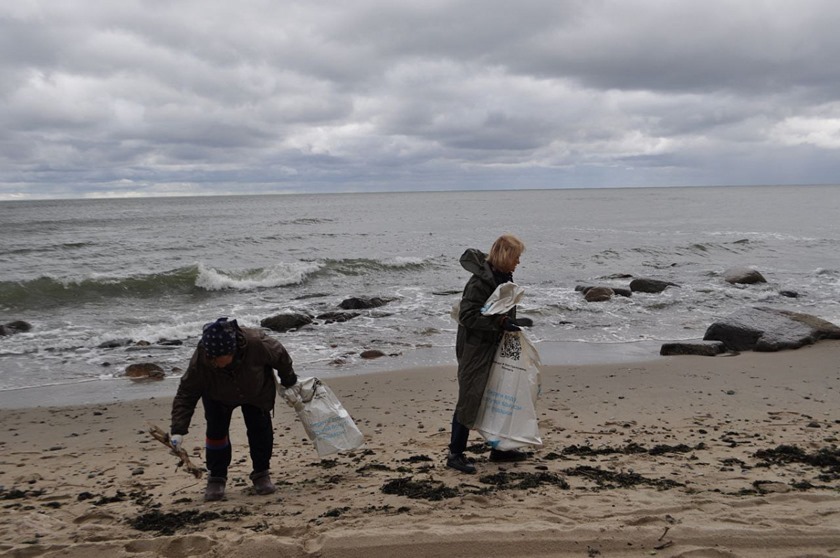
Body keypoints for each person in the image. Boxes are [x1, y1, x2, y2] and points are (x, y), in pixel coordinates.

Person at [170, 317, 299, 501]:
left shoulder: (257, 343)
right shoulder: (203, 358)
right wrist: (178, 429)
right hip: (217, 396)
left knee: (260, 430)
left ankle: (261, 473)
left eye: (217, 358)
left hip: (256, 391)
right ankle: (217, 477)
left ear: (231, 351)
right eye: (210, 357)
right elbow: (186, 392)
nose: (213, 361)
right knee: (216, 434)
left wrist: (289, 381)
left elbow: (281, 357)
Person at [448, 234, 533, 474]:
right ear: (506, 255)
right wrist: (501, 323)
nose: (518, 262)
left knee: (498, 394)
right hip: (475, 349)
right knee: (470, 397)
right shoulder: (479, 282)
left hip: (495, 344)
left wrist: (508, 325)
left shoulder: (502, 276)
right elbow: (467, 316)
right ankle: (455, 454)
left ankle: (499, 449)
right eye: (516, 257)